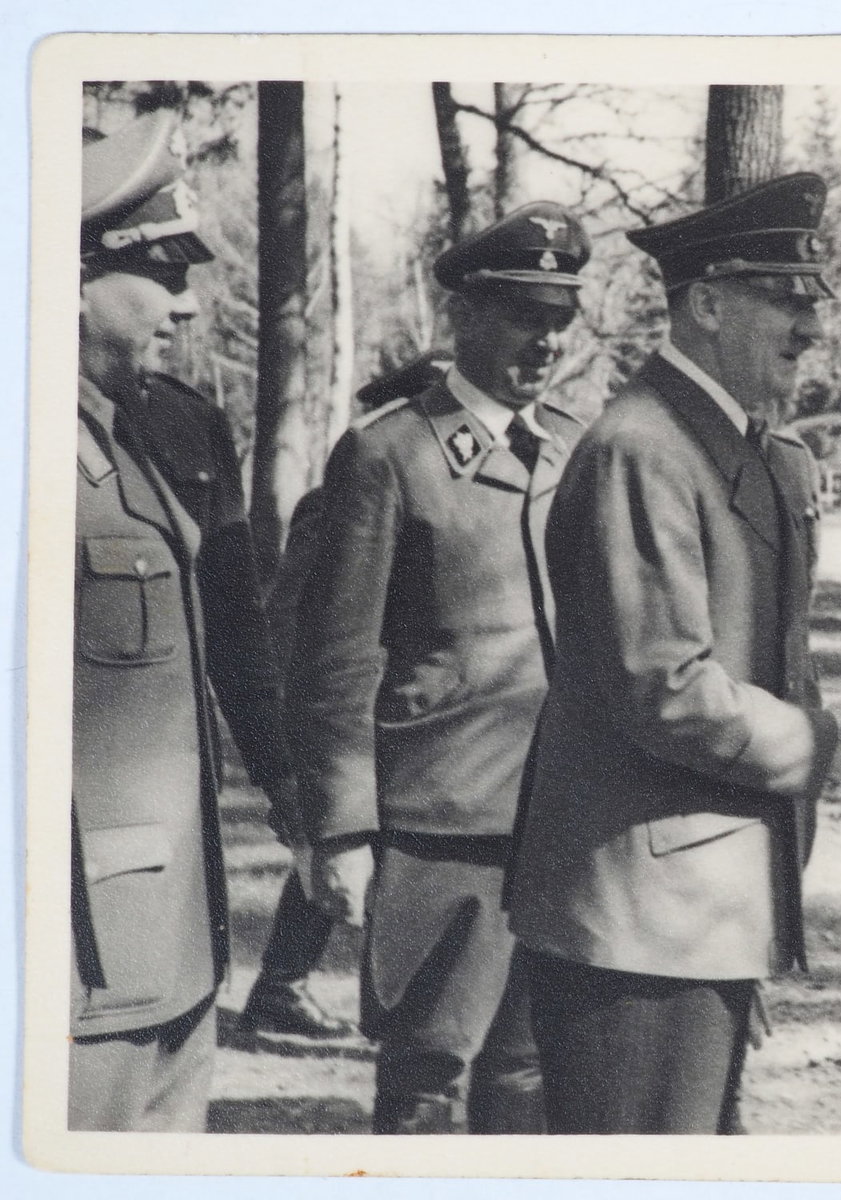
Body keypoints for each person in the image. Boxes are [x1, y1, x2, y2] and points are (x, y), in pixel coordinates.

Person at [503, 173, 841, 1134]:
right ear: (704, 303)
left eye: (808, 302)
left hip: (697, 909)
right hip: (640, 922)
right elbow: (665, 686)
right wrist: (819, 743)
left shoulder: (741, 449)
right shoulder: (644, 448)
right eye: (784, 300)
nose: (808, 328)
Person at [286, 205, 590, 1134]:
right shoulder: (391, 455)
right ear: (464, 314)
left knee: (532, 1079)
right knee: (428, 1074)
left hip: (564, 817)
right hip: (441, 824)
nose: (544, 341)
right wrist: (339, 827)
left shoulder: (578, 450)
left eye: (559, 320)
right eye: (522, 315)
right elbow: (337, 658)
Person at [71, 109, 229, 1131]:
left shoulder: (129, 438)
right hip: (71, 968)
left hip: (170, 946)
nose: (187, 306)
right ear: (74, 280)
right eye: (162, 276)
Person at [239, 354, 450, 1040]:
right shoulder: (340, 499)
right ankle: (291, 988)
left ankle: (288, 987)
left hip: (401, 713)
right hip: (351, 713)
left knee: (363, 851)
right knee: (345, 845)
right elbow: (297, 617)